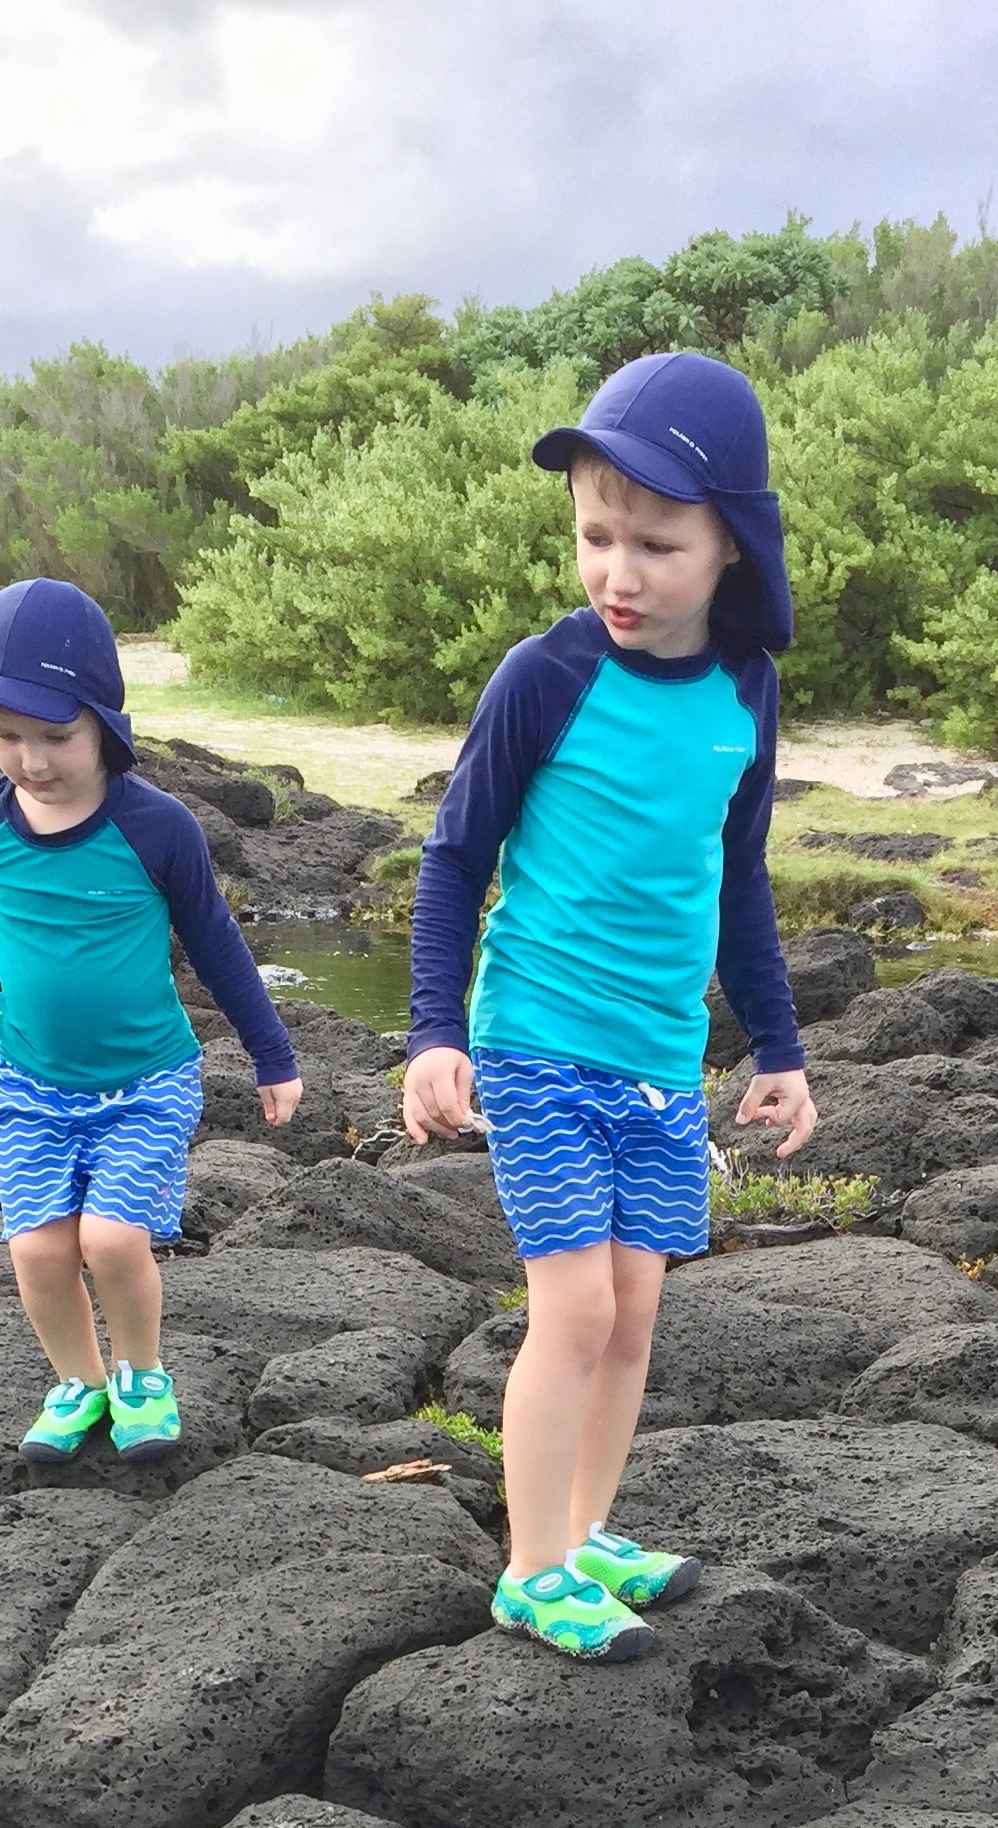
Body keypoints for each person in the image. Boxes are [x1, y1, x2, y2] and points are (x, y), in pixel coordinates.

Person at [403, 350, 816, 1662]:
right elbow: (455, 856)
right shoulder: (545, 676)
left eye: (656, 543)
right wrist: (434, 1031)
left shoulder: (744, 694)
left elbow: (735, 877)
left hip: (658, 1063)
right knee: (574, 1309)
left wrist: (780, 1048)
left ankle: (581, 1534)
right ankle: (531, 1571)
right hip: (537, 1046)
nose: (618, 574)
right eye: (595, 537)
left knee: (635, 1310)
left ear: (730, 549)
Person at [0, 576, 302, 1465]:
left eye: (56, 736)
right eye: (5, 734)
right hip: (28, 1086)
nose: (30, 759)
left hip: (147, 1083)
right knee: (37, 1251)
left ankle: (142, 1374)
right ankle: (80, 1382)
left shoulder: (156, 826)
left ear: (105, 719)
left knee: (109, 1238)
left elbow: (217, 944)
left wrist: (272, 1054)